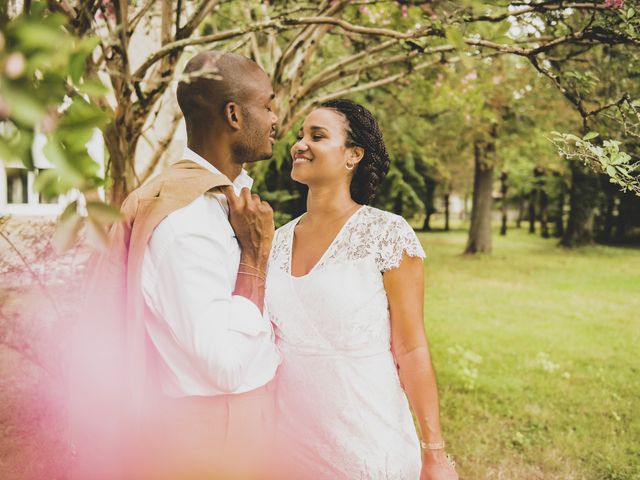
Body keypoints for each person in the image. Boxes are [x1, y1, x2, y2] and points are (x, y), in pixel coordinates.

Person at [71, 51, 280, 480]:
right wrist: (255, 260)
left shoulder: (224, 201)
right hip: (212, 438)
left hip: (236, 426)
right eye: (269, 104)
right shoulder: (187, 219)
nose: (276, 118)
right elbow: (225, 365)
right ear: (234, 114)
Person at [265, 99, 458, 480]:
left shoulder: (386, 234)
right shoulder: (276, 240)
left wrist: (433, 453)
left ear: (353, 155)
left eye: (316, 136)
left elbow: (411, 347)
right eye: (300, 135)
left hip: (367, 444)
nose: (299, 145)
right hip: (288, 444)